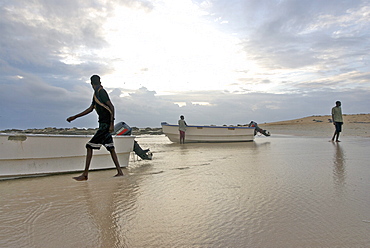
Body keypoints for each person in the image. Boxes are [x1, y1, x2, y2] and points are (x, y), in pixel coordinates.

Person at [66, 75, 124, 181]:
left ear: (91, 83)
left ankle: (85, 174)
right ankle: (120, 172)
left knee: (89, 146)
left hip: (105, 125)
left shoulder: (102, 92)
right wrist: (75, 117)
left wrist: (111, 123)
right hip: (103, 124)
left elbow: (111, 107)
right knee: (111, 148)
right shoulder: (96, 94)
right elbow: (90, 109)